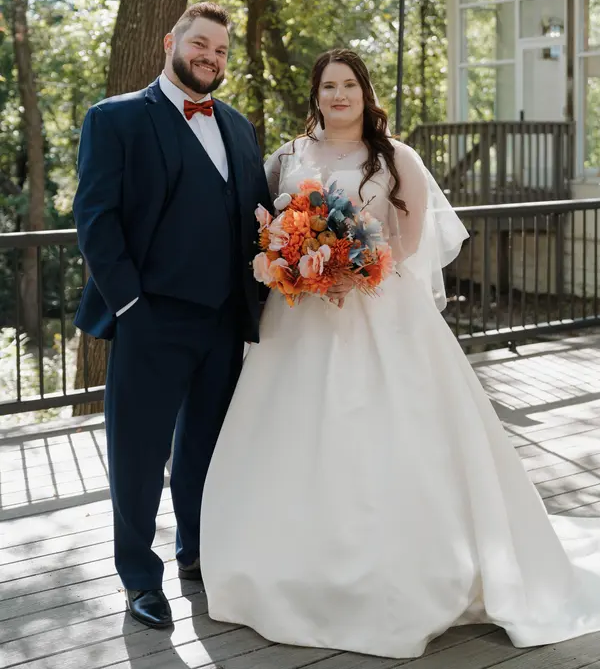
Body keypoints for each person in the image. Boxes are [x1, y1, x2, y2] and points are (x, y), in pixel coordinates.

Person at [200, 48, 600, 659]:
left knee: (388, 433)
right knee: (292, 433)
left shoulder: (395, 158)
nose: (338, 96)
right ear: (316, 95)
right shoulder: (287, 157)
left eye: (348, 85)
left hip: (378, 312)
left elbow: (409, 245)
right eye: (328, 86)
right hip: (299, 317)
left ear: (365, 93)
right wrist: (297, 266)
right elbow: (267, 230)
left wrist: (351, 268)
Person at [73, 2, 271, 630]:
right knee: (138, 454)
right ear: (171, 43)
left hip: (224, 320)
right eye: (200, 45)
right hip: (150, 317)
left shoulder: (238, 126)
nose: (210, 57)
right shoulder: (116, 118)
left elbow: (257, 218)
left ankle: (197, 552)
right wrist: (130, 305)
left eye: (221, 50)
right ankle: (139, 577)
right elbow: (96, 219)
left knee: (205, 450)